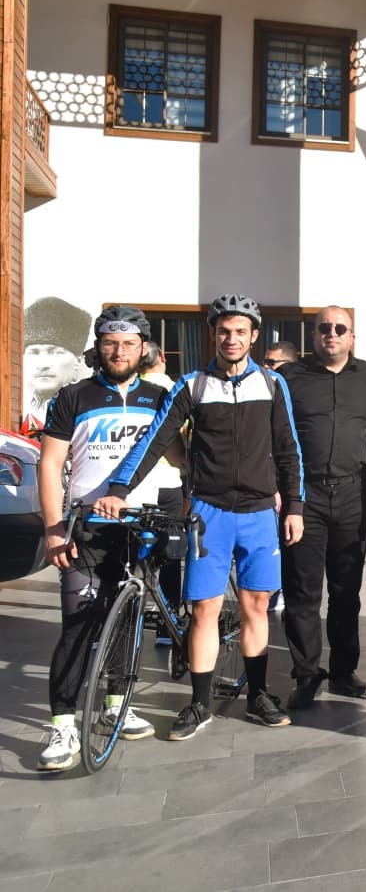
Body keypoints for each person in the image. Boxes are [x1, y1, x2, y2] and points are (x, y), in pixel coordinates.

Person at [94, 294, 305, 738]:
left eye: (240, 332)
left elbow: (289, 450)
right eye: (224, 331)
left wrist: (296, 506)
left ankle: (258, 695)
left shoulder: (272, 384)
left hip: (259, 512)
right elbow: (154, 440)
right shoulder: (192, 385)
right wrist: (118, 489)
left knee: (256, 605)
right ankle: (199, 704)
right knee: (205, 609)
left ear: (253, 336)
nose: (231, 339)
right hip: (209, 512)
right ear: (213, 334)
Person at [36, 306, 178, 769]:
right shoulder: (73, 396)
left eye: (129, 343)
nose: (119, 352)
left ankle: (116, 704)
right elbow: (50, 464)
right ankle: (62, 726)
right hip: (88, 527)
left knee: (128, 616)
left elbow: (181, 458)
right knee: (78, 624)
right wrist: (54, 529)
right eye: (111, 343)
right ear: (98, 347)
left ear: (144, 349)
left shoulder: (160, 397)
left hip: (142, 523)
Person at [277, 307, 366, 709]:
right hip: (304, 497)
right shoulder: (290, 377)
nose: (332, 333)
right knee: (302, 591)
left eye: (340, 328)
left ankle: (343, 671)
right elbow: (275, 435)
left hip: (354, 493)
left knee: (346, 591)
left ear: (352, 336)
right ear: (314, 335)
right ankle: (306, 675)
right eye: (324, 328)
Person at [138, 340, 187, 640]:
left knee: (130, 552)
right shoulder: (175, 390)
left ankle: (120, 622)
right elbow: (184, 441)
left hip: (135, 485)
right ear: (164, 358)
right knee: (171, 553)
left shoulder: (130, 391)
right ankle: (168, 627)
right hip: (169, 481)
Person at [22, 297, 91, 436]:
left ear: (78, 361)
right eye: (33, 352)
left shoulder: (91, 407)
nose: (43, 365)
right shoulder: (18, 407)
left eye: (56, 353)